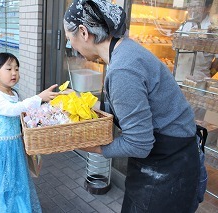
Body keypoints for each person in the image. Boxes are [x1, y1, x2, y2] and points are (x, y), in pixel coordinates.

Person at [64, 0, 205, 212]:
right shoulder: (126, 50)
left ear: (84, 33)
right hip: (172, 158)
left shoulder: (123, 70)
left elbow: (139, 144)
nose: (71, 46)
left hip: (167, 170)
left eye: (69, 39)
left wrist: (95, 148)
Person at [0, 52, 59, 212]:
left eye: (17, 69)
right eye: (9, 69)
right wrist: (38, 98)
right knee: (1, 184)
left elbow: (19, 114)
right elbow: (12, 109)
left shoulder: (14, 93)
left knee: (16, 182)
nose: (14, 73)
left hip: (14, 147)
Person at [175, 0, 218, 81]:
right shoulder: (186, 24)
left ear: (208, 7)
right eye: (190, 6)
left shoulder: (212, 27)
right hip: (178, 76)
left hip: (198, 80)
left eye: (196, 6)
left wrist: (208, 75)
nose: (192, 10)